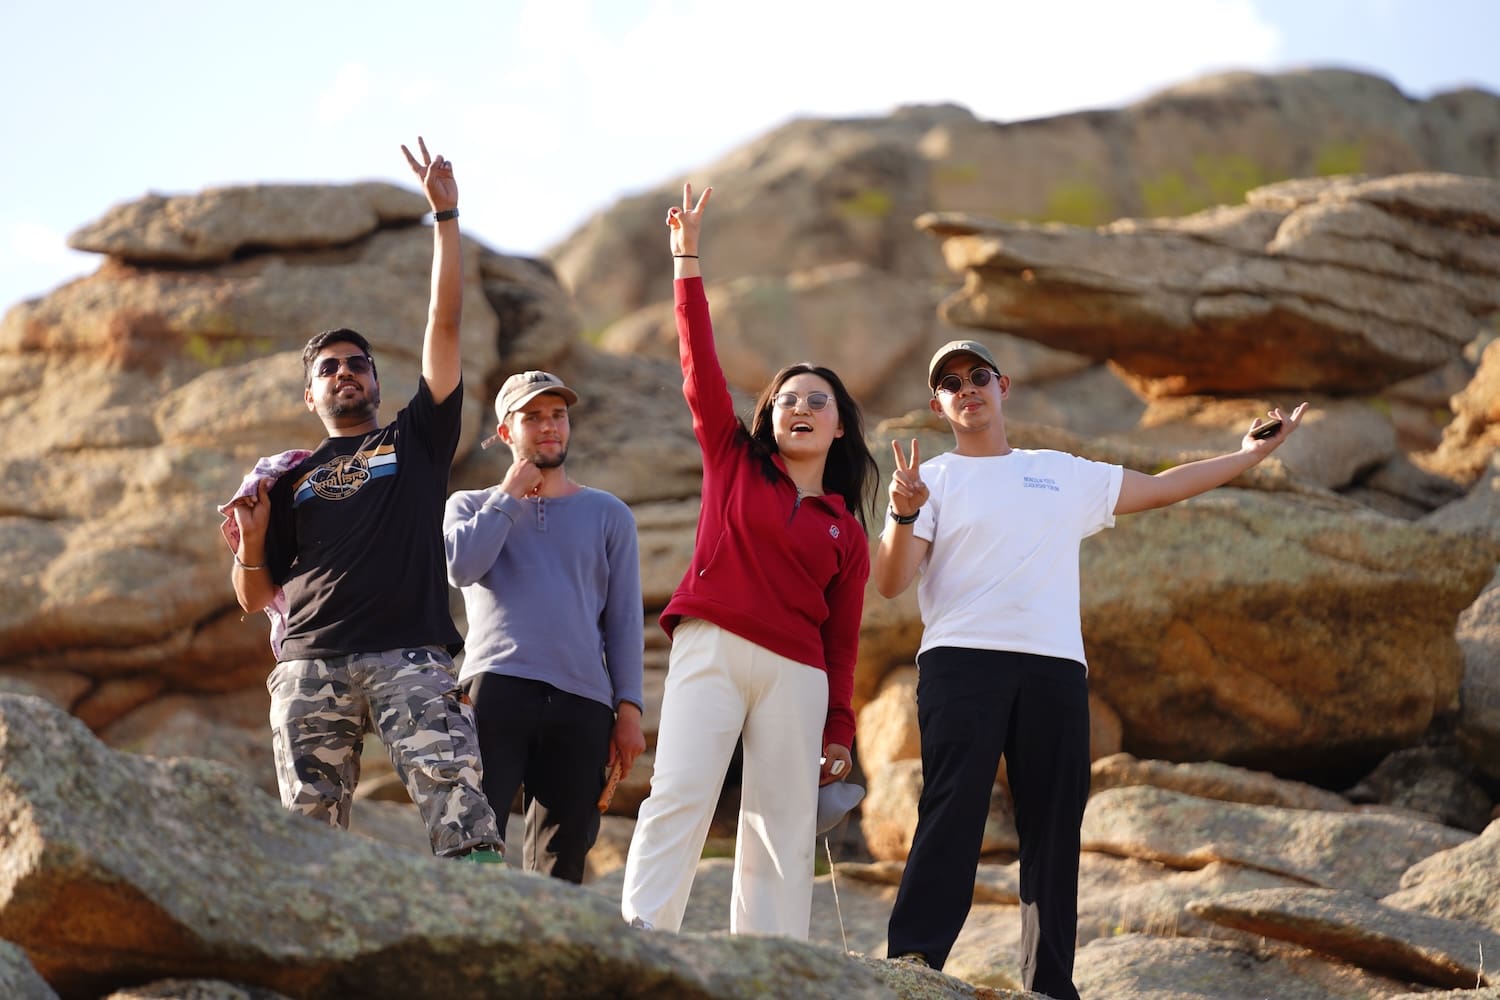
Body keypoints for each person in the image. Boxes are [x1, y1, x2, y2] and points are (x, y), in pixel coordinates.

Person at [876, 338, 1307, 996]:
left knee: (1053, 825)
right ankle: (913, 964)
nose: (967, 388)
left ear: (1004, 386)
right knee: (951, 809)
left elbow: (1161, 488)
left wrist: (1249, 456)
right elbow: (892, 580)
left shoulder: (1061, 472)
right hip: (962, 663)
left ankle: (1049, 984)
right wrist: (904, 513)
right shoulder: (929, 478)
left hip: (1052, 668)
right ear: (937, 406)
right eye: (950, 383)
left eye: (977, 376)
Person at [224, 137, 505, 863]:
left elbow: (444, 328)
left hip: (411, 656)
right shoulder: (285, 478)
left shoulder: (414, 439)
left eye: (358, 365)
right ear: (310, 393)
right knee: (307, 838)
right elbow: (255, 599)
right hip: (311, 661)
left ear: (378, 384)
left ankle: (487, 948)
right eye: (328, 369)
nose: (344, 373)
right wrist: (254, 538)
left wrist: (445, 218)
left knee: (463, 818)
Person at [620, 184, 880, 939]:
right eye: (786, 398)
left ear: (838, 428)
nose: (800, 407)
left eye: (817, 401)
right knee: (679, 794)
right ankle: (638, 943)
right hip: (714, 646)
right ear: (767, 415)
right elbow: (699, 366)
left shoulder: (848, 534)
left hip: (797, 675)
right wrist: (686, 260)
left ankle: (773, 968)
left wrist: (840, 729)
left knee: (781, 828)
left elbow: (844, 641)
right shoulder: (732, 459)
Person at [443, 370, 646, 883]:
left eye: (558, 415)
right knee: (473, 844)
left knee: (564, 862)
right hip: (494, 690)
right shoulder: (467, 506)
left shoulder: (609, 514)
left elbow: (623, 618)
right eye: (532, 417)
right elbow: (462, 566)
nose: (549, 426)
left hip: (583, 703)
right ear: (507, 431)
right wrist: (510, 494)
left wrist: (629, 709)